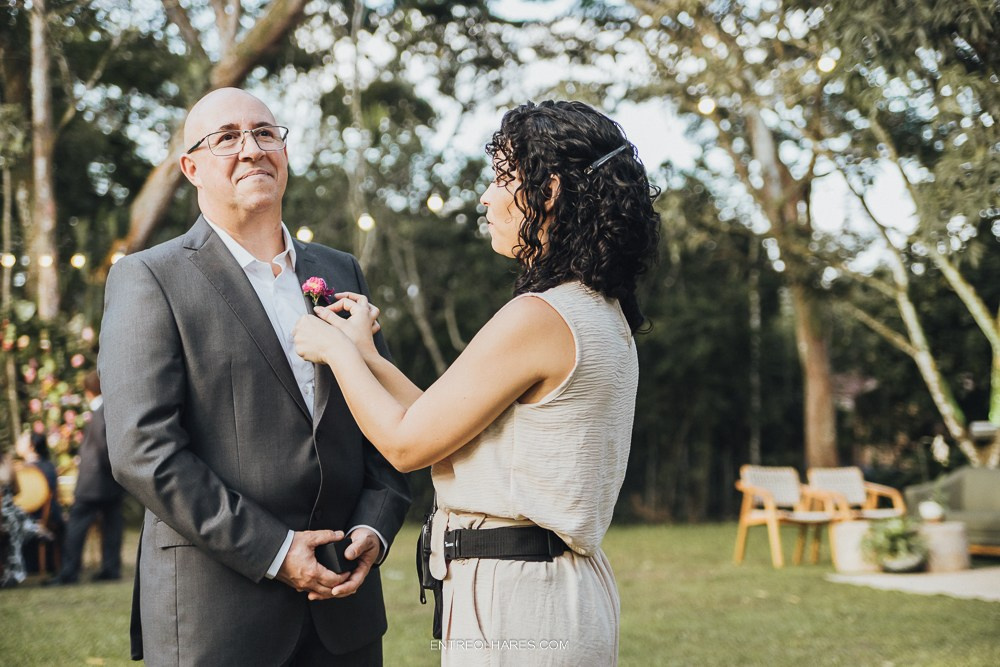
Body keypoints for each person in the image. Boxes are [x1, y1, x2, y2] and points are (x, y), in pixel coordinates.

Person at [293, 100, 660, 666]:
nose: (486, 197)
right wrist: (369, 355)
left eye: (502, 177)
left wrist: (336, 353)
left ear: (551, 192)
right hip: (556, 591)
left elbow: (407, 445)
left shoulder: (539, 316)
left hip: (519, 599)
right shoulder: (598, 310)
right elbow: (446, 426)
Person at [98, 87, 410, 666]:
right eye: (227, 138)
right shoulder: (149, 277)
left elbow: (386, 418)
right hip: (218, 614)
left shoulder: (340, 271)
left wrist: (375, 525)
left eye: (266, 133)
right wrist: (276, 550)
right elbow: (143, 450)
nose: (252, 149)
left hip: (346, 612)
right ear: (191, 167)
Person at [45, 370, 124, 585]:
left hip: (94, 482)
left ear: (88, 391)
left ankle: (69, 572)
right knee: (112, 526)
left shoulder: (101, 410)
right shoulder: (108, 409)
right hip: (108, 483)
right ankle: (110, 568)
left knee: (77, 527)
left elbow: (103, 448)